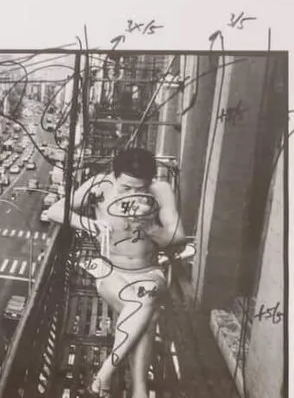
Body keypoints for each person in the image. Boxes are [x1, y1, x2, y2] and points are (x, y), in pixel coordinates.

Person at [41, 146, 190, 398]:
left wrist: (150, 227)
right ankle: (139, 391)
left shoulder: (161, 191)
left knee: (145, 299)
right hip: (111, 271)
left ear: (151, 181)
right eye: (126, 188)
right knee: (147, 314)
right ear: (115, 176)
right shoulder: (100, 185)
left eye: (140, 189)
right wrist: (91, 225)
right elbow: (56, 210)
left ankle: (102, 378)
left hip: (148, 270)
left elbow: (178, 237)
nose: (133, 194)